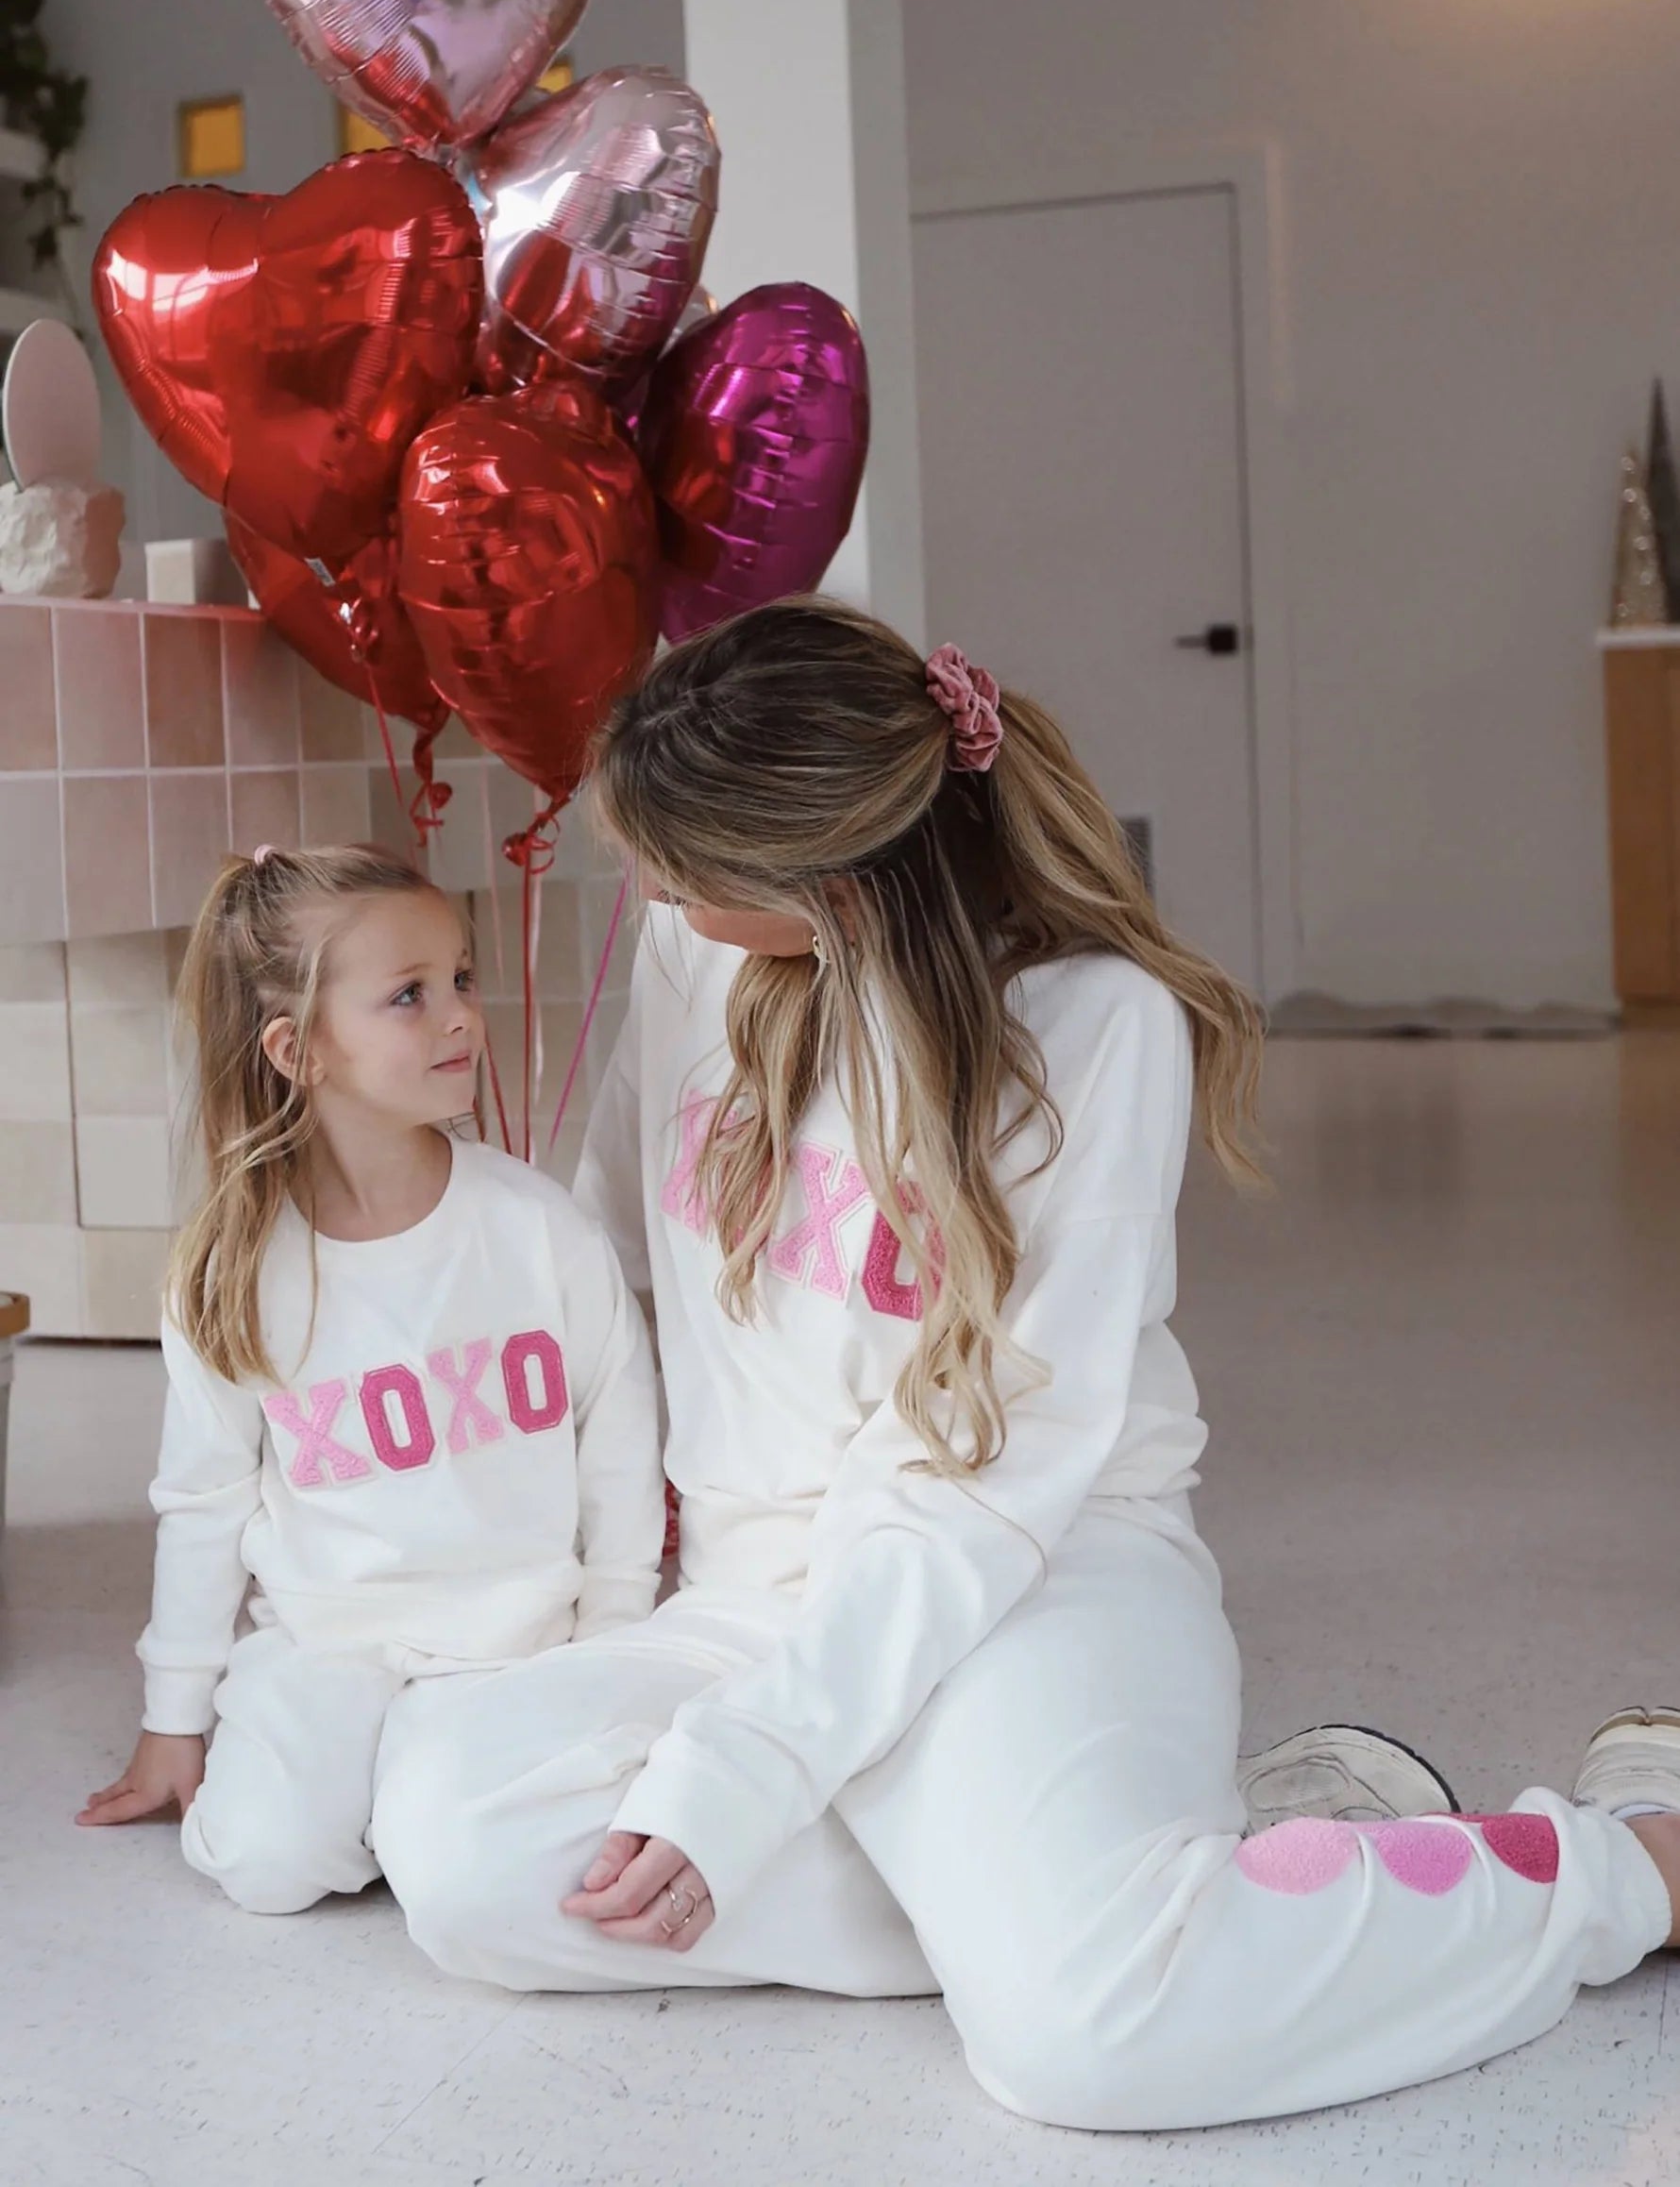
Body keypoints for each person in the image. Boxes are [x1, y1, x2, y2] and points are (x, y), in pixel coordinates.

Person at [363, 603, 1680, 2130]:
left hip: (1024, 1579)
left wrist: (755, 1768)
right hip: (752, 1601)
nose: (648, 887)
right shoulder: (687, 952)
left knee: (1089, 2047)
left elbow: (983, 1478)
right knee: (455, 1848)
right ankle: (1150, 1871)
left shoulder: (1092, 1029)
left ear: (831, 887)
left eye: (684, 865)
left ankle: (1626, 1860)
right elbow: (611, 1267)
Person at [77, 844, 664, 1917]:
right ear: (298, 1049)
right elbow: (204, 1502)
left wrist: (615, 1635)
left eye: (462, 979)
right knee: (263, 1866)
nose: (458, 1018)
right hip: (325, 1642)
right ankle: (364, 1790)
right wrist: (176, 1717)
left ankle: (405, 1798)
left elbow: (618, 1433)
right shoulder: (231, 1275)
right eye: (408, 995)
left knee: (493, 1855)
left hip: (517, 1640)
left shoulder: (536, 1228)